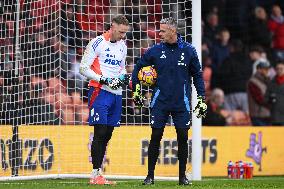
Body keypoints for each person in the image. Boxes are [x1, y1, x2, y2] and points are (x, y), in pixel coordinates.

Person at [131, 17, 207, 185]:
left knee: (182, 137)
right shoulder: (155, 51)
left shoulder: (189, 50)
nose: (159, 33)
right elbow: (137, 68)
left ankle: (182, 177)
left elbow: (198, 76)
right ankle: (150, 176)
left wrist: (202, 98)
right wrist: (136, 91)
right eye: (159, 30)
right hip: (160, 102)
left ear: (173, 31)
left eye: (163, 30)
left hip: (182, 103)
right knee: (155, 135)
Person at [79, 15, 130, 185]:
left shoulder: (123, 46)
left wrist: (123, 78)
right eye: (121, 32)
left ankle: (98, 173)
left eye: (125, 32)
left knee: (108, 133)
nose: (123, 35)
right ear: (112, 27)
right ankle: (95, 174)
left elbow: (121, 68)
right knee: (100, 132)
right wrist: (104, 80)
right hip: (99, 91)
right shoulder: (97, 43)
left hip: (116, 94)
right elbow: (83, 68)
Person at [247, 61, 271, 126]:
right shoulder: (253, 82)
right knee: (261, 136)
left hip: (267, 115)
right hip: (258, 116)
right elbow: (259, 99)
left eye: (268, 69)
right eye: (265, 69)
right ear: (258, 69)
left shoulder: (268, 80)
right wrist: (271, 104)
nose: (267, 71)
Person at [265, 61, 284, 125]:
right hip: (275, 116)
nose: (279, 70)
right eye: (277, 69)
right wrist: (270, 100)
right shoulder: (271, 83)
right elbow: (266, 98)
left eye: (281, 69)